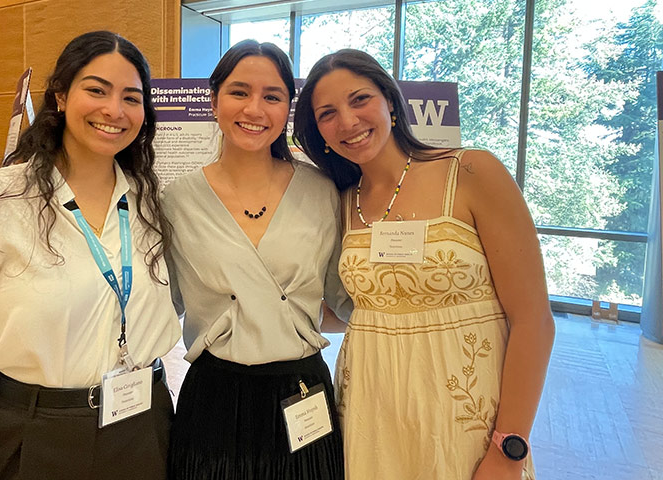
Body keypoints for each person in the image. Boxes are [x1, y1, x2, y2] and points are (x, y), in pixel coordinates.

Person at [0, 31, 181, 480]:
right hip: (36, 435)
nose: (114, 110)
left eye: (131, 97)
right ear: (60, 95)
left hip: (145, 427)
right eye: (96, 90)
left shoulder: (149, 204)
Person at [293, 49, 555, 480]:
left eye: (359, 99)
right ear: (318, 131)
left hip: (465, 419)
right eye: (327, 113)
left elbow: (533, 319)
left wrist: (509, 448)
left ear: (390, 102)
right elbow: (348, 311)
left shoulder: (471, 170)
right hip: (368, 414)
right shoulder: (339, 203)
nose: (348, 121)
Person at [164, 39, 352, 480]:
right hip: (213, 395)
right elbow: (158, 305)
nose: (255, 108)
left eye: (272, 96)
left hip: (302, 392)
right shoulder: (176, 200)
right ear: (213, 101)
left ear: (288, 107)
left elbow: (345, 300)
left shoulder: (322, 191)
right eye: (239, 92)